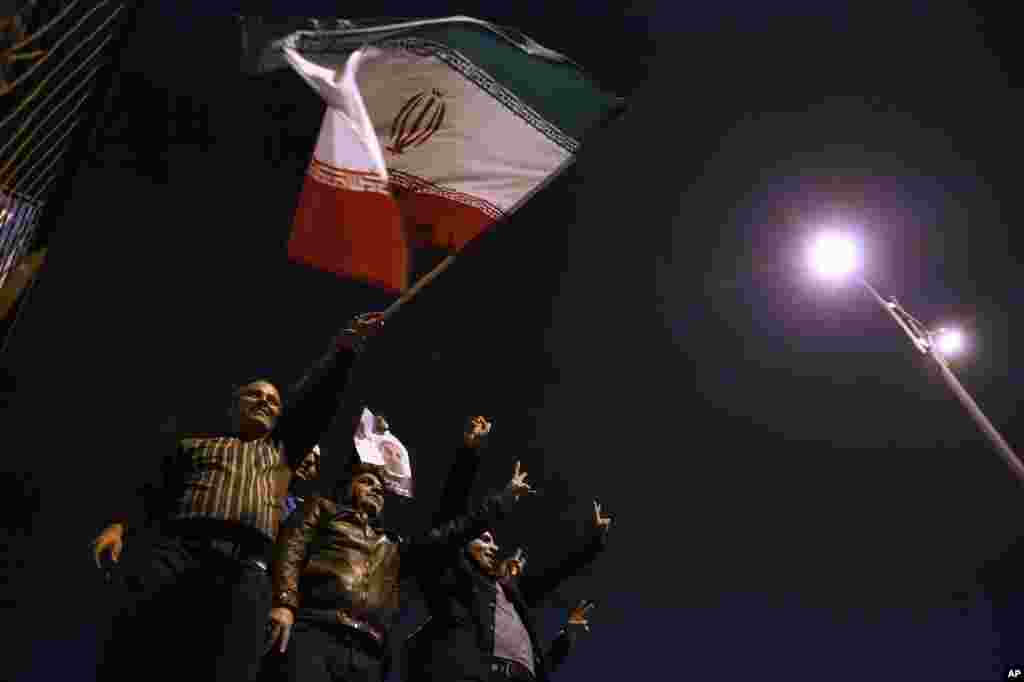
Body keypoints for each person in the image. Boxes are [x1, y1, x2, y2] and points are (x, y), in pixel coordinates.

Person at [90, 312, 383, 682]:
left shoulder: (282, 452)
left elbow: (316, 402)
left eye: (274, 401)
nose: (265, 402)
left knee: (231, 668)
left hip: (247, 571)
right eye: (255, 395)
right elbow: (150, 491)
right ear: (235, 403)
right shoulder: (194, 445)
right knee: (139, 651)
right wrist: (119, 526)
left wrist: (343, 353)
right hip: (179, 554)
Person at [262, 424, 528, 682]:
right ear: (347, 485)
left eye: (381, 487)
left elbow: (455, 530)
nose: (377, 488)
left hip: (369, 654)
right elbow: (291, 550)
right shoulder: (321, 509)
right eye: (366, 481)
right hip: (315, 633)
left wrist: (503, 499)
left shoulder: (394, 547)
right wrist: (284, 603)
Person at [414, 494, 612, 682]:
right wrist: (504, 496)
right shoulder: (464, 580)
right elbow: (450, 519)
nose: (495, 548)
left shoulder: (513, 597)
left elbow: (555, 573)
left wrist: (593, 543)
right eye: (484, 539)